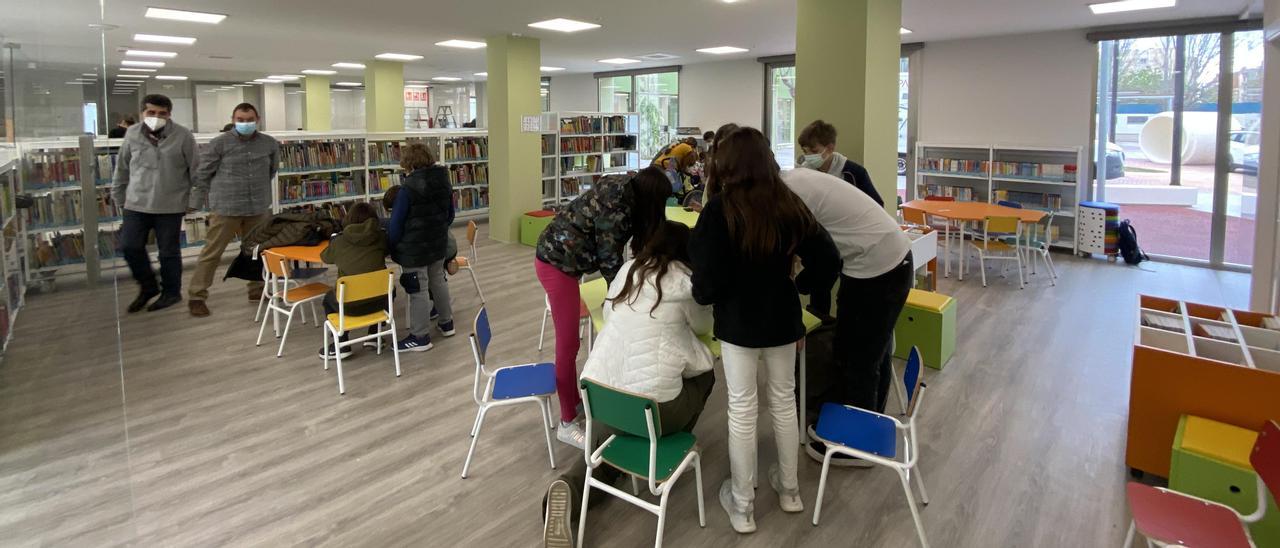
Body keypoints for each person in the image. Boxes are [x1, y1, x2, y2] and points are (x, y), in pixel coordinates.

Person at [689, 126, 839, 534]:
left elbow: (703, 286)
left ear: (728, 164)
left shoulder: (718, 211)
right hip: (782, 320)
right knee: (783, 402)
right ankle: (790, 491)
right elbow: (828, 260)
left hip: (738, 325)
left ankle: (742, 505)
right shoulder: (789, 204)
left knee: (741, 408)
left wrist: (724, 292)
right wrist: (798, 287)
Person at [540, 221, 715, 546]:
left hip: (599, 394)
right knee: (705, 376)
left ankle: (571, 488)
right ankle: (670, 448)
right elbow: (704, 326)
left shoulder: (628, 269)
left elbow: (608, 311)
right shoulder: (686, 282)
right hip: (651, 408)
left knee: (615, 434)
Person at [782, 167, 913, 466]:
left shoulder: (789, 197)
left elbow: (822, 263)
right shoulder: (794, 180)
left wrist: (796, 285)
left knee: (860, 358)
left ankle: (859, 446)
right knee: (868, 351)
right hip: (880, 261)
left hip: (880, 269)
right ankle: (869, 420)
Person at [535, 166, 671, 450]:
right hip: (557, 262)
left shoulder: (630, 187)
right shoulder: (617, 203)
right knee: (568, 344)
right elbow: (609, 258)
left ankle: (573, 400)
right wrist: (623, 292)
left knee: (571, 344)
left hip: (569, 259)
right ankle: (567, 422)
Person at [187, 103, 280, 317]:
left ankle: (257, 290)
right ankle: (197, 296)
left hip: (257, 206)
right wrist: (195, 202)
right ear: (233, 119)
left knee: (256, 252)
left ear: (258, 120)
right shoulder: (219, 143)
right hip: (226, 207)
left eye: (249, 120)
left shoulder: (269, 144)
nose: (245, 123)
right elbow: (203, 174)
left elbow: (271, 170)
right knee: (212, 252)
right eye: (240, 119)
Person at [112, 94, 199, 313]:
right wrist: (119, 197)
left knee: (168, 252)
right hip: (136, 202)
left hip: (170, 204)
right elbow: (122, 168)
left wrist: (194, 201)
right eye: (151, 112)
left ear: (169, 114)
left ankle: (171, 292)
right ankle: (148, 287)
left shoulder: (183, 136)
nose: (156, 117)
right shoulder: (132, 133)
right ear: (143, 113)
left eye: (162, 113)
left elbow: (197, 170)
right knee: (129, 246)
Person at [387, 143, 456, 352]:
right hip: (437, 244)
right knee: (438, 281)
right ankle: (447, 323)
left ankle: (420, 337)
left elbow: (396, 224)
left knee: (418, 289)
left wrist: (392, 245)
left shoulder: (408, 189)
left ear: (408, 163)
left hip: (414, 250)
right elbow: (450, 215)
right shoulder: (444, 181)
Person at [317, 202, 390, 359]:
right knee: (390, 288)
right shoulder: (381, 237)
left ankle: (341, 342)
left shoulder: (339, 242)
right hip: (379, 303)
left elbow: (325, 257)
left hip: (349, 306)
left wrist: (333, 240)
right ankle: (373, 336)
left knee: (328, 299)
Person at [797, 119, 884, 207]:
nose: (808, 156)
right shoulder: (803, 174)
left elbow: (877, 206)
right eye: (805, 151)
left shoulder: (855, 173)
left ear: (830, 148)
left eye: (814, 151)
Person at [382, 186, 459, 276]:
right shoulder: (422, 210)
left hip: (442, 251)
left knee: (420, 267)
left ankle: (447, 263)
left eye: (392, 211)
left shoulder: (409, 221)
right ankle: (448, 263)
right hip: (449, 246)